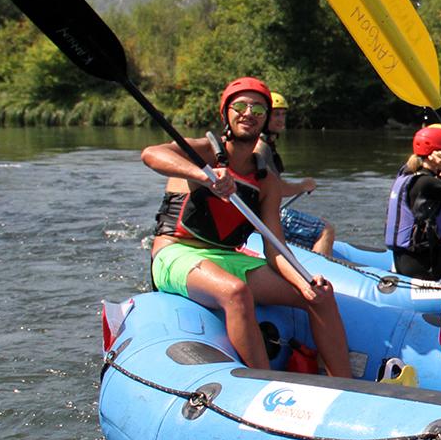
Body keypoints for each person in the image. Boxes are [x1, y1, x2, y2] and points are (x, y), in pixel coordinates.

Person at [143, 77, 350, 376]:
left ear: (266, 119)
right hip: (176, 252)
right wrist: (204, 176)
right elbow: (151, 154)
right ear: (226, 113)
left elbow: (275, 247)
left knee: (321, 297)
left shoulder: (267, 182)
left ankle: (344, 384)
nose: (248, 113)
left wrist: (304, 283)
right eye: (240, 105)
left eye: (259, 108)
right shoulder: (201, 153)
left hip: (227, 257)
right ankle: (265, 385)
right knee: (235, 292)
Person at [385, 124, 441, 280]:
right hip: (423, 265)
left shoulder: (408, 175)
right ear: (437, 156)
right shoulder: (427, 183)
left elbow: (435, 189)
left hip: (405, 260)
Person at [258, 91, 335, 257]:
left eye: (283, 114)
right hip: (260, 218)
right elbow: (277, 188)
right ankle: (317, 276)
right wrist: (303, 185)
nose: (281, 119)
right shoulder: (261, 148)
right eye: (275, 114)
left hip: (260, 214)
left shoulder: (264, 144)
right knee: (325, 229)